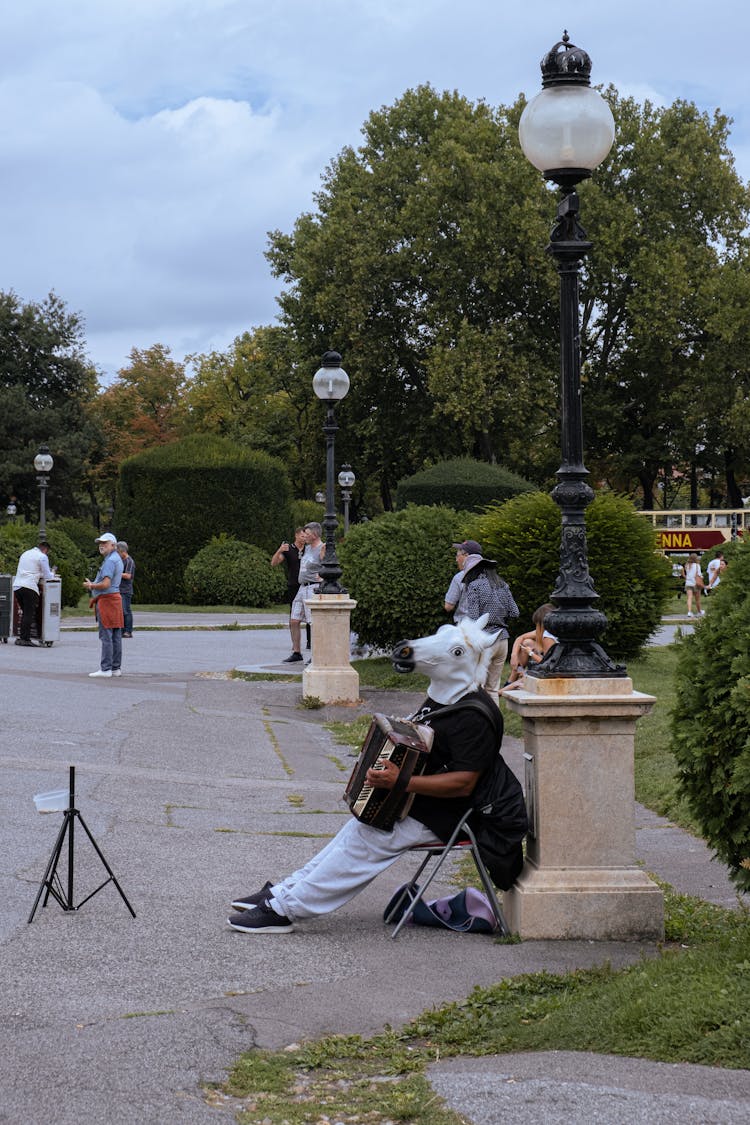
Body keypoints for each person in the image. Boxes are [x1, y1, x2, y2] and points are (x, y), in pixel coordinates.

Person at [226, 686, 500, 934]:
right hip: (425, 803)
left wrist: (401, 781)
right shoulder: (447, 693)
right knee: (357, 829)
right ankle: (285, 892)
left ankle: (286, 909)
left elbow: (464, 783)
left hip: (452, 816)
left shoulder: (474, 714)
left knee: (365, 842)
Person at [453, 540, 519, 706]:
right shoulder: (502, 585)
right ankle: (495, 727)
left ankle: (479, 725)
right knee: (493, 689)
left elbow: (474, 618)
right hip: (503, 639)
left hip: (484, 642)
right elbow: (515, 612)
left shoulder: (474, 586)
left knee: (477, 688)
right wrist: (499, 616)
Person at [83, 532, 124, 677]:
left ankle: (105, 669)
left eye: (104, 543)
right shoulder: (116, 558)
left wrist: (92, 586)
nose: (101, 545)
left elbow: (106, 584)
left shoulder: (110, 561)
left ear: (113, 545)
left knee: (106, 635)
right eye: (100, 543)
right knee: (115, 635)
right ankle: (115, 668)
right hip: (115, 599)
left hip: (107, 600)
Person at [284, 522, 324, 663]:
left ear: (314, 534)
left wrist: (322, 576)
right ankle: (297, 652)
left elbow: (328, 566)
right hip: (302, 587)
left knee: (313, 622)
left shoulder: (322, 548)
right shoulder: (306, 548)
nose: (304, 536)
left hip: (313, 588)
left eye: (306, 534)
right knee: (294, 620)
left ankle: (316, 655)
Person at [12, 539, 55, 646]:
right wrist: (53, 573)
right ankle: (25, 639)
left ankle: (21, 637)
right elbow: (47, 575)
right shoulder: (42, 557)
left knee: (25, 612)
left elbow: (31, 570)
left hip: (17, 586)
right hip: (29, 587)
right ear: (45, 550)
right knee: (28, 613)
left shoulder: (26, 553)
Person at [272, 528, 307, 653]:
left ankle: (310, 642)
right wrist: (279, 550)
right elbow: (274, 563)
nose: (304, 538)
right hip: (294, 585)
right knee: (294, 615)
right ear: (296, 535)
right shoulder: (288, 549)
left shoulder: (309, 550)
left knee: (310, 613)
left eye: (306, 536)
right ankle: (295, 644)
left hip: (307, 585)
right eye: (302, 536)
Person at [507, 603, 557, 684]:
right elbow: (520, 638)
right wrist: (514, 655)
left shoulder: (548, 638)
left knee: (527, 643)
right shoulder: (541, 633)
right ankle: (515, 676)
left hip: (546, 667)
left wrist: (530, 653)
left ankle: (511, 681)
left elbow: (547, 662)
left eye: (537, 624)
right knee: (526, 642)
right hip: (543, 661)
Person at [444, 540, 481, 622]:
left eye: (457, 556)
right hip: (488, 628)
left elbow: (448, 607)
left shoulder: (459, 577)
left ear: (466, 556)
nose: (456, 560)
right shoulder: (491, 575)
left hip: (466, 628)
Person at [117, 541, 136, 637]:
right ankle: (122, 630)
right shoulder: (120, 561)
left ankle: (128, 631)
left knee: (126, 610)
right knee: (120, 610)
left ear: (122, 551)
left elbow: (128, 575)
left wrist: (117, 573)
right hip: (119, 589)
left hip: (126, 590)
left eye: (118, 552)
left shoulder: (129, 561)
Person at [684, 552, 704, 618]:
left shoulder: (686, 565)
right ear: (696, 558)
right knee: (697, 599)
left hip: (688, 583)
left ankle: (689, 612)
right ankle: (699, 612)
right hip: (695, 584)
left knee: (689, 598)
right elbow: (699, 575)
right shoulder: (697, 565)